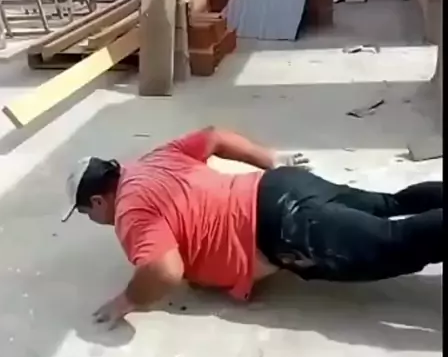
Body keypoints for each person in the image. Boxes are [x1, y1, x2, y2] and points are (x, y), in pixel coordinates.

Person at [61, 128, 443, 327]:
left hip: (285, 224)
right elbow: (215, 136)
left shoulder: (130, 212)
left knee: (397, 243)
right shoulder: (150, 161)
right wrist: (270, 161)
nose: (93, 220)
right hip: (281, 184)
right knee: (391, 205)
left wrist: (129, 299)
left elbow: (164, 271)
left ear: (97, 200)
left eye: (85, 212)